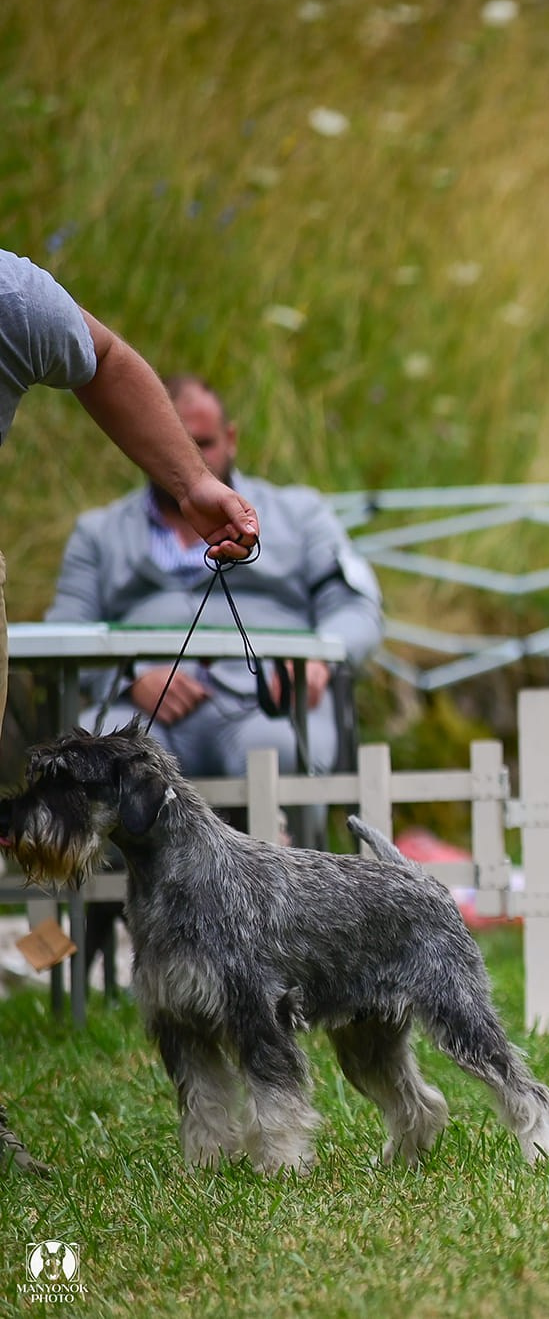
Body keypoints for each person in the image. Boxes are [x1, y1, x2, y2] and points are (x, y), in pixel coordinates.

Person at [0, 246, 260, 1177]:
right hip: (128, 704)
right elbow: (72, 627)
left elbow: (104, 359)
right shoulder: (99, 535)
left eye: (214, 438)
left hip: (225, 710)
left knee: (261, 742)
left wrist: (192, 487)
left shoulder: (6, 290)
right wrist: (137, 672)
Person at [47, 375, 381, 778]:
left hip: (270, 710)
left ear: (231, 438)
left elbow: (357, 608)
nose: (195, 463)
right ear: (144, 445)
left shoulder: (303, 514)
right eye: (177, 446)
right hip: (139, 715)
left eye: (203, 444)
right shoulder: (96, 534)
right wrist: (125, 680)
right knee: (103, 761)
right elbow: (63, 634)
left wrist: (317, 662)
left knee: (269, 757)